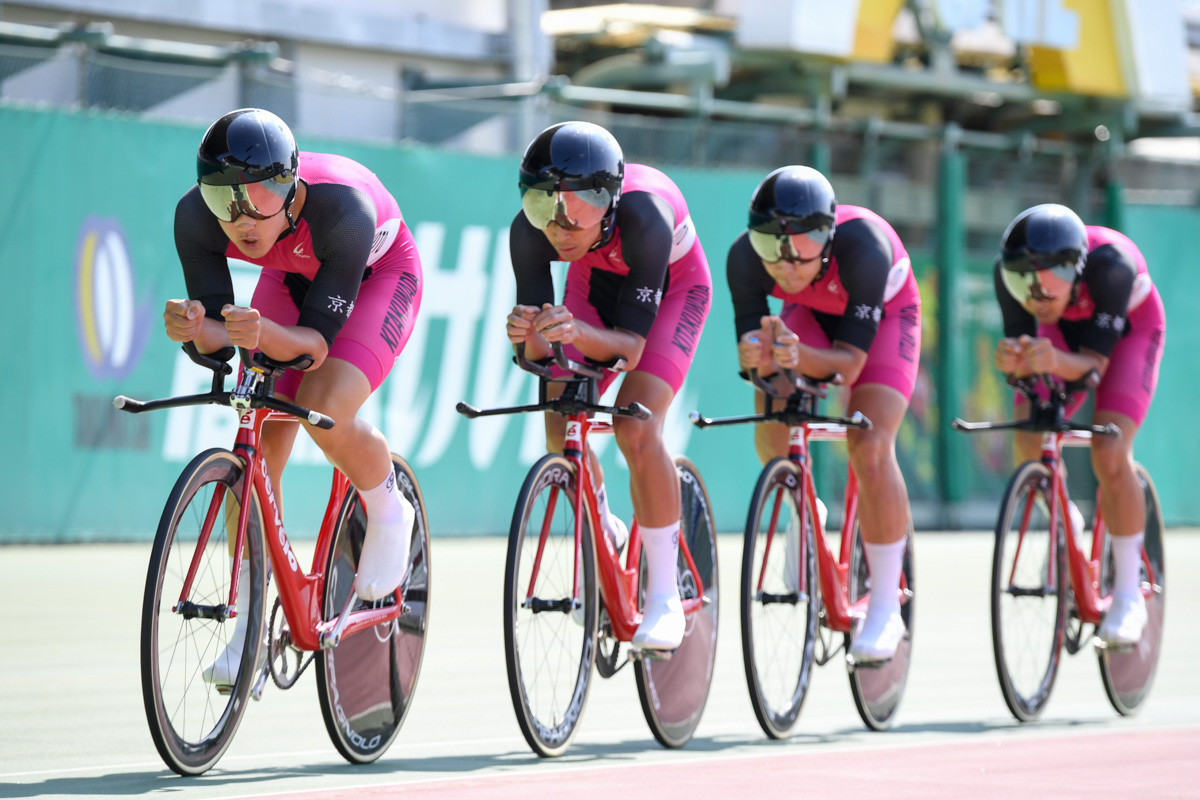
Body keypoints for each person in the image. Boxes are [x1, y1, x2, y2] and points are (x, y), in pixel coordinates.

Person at [163, 108, 423, 685]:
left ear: (290, 184)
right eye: (222, 195)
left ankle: (387, 508)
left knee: (324, 407)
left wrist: (257, 337)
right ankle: (251, 627)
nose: (240, 217)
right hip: (291, 274)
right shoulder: (197, 219)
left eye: (257, 195)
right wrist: (191, 328)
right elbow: (222, 335)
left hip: (378, 275)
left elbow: (312, 347)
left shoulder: (341, 211)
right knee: (259, 428)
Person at [505, 121, 712, 651]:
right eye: (541, 203)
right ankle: (606, 525)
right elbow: (539, 358)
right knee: (559, 410)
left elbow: (629, 349)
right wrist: (528, 336)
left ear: (609, 200)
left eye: (575, 206)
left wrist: (573, 332)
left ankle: (664, 593)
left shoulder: (644, 217)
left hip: (670, 294)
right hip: (595, 287)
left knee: (637, 423)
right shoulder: (530, 231)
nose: (558, 222)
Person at [726, 165, 921, 664]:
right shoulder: (745, 259)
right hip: (810, 316)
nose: (786, 264)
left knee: (870, 443)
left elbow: (850, 365)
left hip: (886, 316)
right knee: (772, 419)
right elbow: (758, 362)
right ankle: (803, 508)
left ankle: (883, 604)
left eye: (801, 249)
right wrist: (758, 358)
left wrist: (794, 356)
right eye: (772, 247)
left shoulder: (865, 249)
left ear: (828, 238)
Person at [993, 203, 1164, 647]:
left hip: (1128, 335)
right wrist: (1014, 359)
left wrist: (1053, 360)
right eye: (1024, 283)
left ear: (1076, 270)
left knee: (1109, 450)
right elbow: (1025, 345)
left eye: (1049, 282)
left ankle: (1128, 594)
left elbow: (1090, 369)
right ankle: (1062, 511)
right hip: (1065, 334)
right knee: (1029, 429)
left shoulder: (1111, 267)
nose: (1034, 293)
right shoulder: (1011, 275)